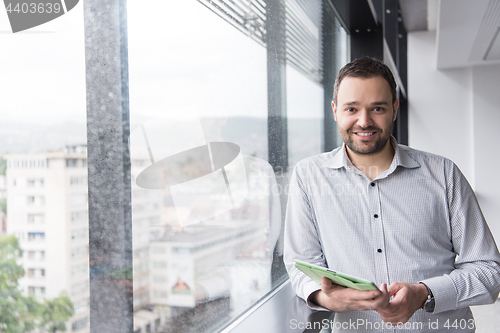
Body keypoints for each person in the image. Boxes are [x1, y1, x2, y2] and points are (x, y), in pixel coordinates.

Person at [283, 57, 500, 332]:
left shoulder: (444, 174)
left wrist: (424, 294)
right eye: (352, 108)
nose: (364, 121)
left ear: (394, 109)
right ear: (335, 111)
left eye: (377, 108)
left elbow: (488, 270)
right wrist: (324, 297)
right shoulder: (308, 176)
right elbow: (300, 263)